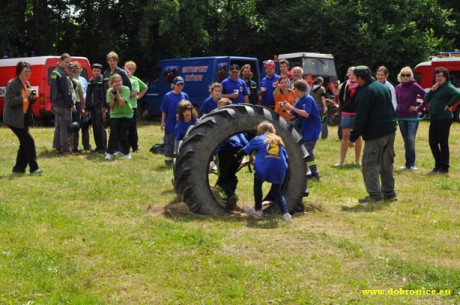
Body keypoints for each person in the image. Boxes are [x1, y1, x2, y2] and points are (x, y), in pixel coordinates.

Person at [348, 66, 397, 204]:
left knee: (369, 163)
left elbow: (360, 118)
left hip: (376, 133)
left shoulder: (365, 92)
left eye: (355, 77)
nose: (354, 80)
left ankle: (375, 196)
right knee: (386, 162)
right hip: (390, 130)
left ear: (360, 78)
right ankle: (389, 192)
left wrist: (352, 137)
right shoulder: (382, 87)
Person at [239, 121, 291, 222]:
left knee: (258, 185)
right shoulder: (279, 140)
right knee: (277, 191)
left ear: (260, 130)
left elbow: (243, 151)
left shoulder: (258, 138)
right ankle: (286, 214)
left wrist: (236, 157)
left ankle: (258, 211)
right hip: (280, 167)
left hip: (263, 167)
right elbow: (285, 156)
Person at [418, 67, 460, 174]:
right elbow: (426, 99)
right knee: (432, 142)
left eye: (440, 76)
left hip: (444, 118)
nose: (438, 78)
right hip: (434, 118)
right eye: (436, 76)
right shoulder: (436, 87)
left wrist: (449, 104)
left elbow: (458, 94)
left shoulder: (448, 86)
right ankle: (437, 165)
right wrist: (432, 90)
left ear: (445, 77)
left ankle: (444, 168)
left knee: (443, 142)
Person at [4, 61, 41, 175]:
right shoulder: (13, 83)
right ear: (19, 71)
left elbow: (28, 101)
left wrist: (33, 98)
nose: (28, 73)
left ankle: (18, 168)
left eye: (29, 71)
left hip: (23, 117)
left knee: (24, 142)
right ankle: (34, 168)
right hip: (13, 119)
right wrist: (23, 96)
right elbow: (9, 101)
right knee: (29, 141)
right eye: (25, 71)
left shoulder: (27, 83)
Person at [283, 79, 322, 181]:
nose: (292, 90)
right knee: (308, 154)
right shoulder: (300, 99)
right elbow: (290, 114)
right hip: (305, 130)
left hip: (312, 129)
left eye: (294, 88)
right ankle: (314, 174)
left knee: (304, 153)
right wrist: (284, 108)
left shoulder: (308, 99)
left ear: (297, 89)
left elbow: (306, 113)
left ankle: (305, 175)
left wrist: (291, 106)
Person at [214, 98, 248, 211]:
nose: (217, 110)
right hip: (237, 154)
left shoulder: (220, 122)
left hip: (224, 153)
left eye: (220, 107)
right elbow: (244, 143)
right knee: (231, 176)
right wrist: (242, 155)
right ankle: (231, 198)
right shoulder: (237, 123)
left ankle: (230, 196)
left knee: (222, 179)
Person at [395, 66, 426, 170]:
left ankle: (412, 164)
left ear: (411, 76)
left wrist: (418, 108)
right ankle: (407, 164)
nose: (405, 77)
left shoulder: (414, 86)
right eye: (403, 75)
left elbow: (426, 96)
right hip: (401, 118)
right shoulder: (398, 87)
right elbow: (395, 101)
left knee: (410, 140)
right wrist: (397, 107)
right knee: (406, 141)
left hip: (412, 118)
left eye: (408, 75)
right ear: (400, 76)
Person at [160, 76, 190, 167]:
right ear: (173, 85)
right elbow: (164, 110)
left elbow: (188, 109)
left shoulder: (185, 95)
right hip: (170, 123)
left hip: (182, 123)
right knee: (170, 142)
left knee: (182, 142)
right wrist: (162, 122)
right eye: (178, 84)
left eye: (181, 85)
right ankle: (168, 162)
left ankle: (180, 161)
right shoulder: (168, 96)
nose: (180, 86)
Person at [336, 67, 362, 166]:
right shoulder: (345, 84)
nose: (351, 76)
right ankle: (341, 161)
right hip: (346, 112)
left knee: (358, 136)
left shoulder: (361, 85)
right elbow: (341, 98)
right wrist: (345, 107)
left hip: (357, 113)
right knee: (345, 135)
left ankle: (357, 161)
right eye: (349, 74)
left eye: (353, 74)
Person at [104, 74, 133, 161]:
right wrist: (112, 98)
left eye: (119, 81)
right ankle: (109, 153)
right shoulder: (109, 91)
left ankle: (126, 153)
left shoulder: (126, 89)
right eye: (115, 81)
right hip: (115, 115)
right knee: (113, 134)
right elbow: (111, 106)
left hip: (126, 114)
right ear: (112, 83)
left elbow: (122, 103)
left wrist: (117, 92)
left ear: (122, 82)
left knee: (123, 134)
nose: (118, 83)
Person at [50, 53, 75, 155]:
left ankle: (57, 148)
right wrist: (72, 104)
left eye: (69, 62)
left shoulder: (54, 72)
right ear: (60, 61)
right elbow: (66, 92)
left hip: (55, 104)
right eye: (66, 62)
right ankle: (65, 149)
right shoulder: (62, 74)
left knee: (59, 126)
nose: (68, 64)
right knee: (65, 127)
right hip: (63, 105)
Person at [124, 60, 148, 153]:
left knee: (132, 128)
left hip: (132, 106)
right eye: (128, 68)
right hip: (122, 106)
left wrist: (138, 96)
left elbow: (145, 87)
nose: (130, 70)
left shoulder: (135, 79)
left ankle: (135, 147)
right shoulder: (121, 78)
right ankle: (124, 146)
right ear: (125, 68)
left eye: (132, 69)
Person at [86, 63, 107, 154]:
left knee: (100, 127)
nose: (96, 72)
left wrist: (104, 107)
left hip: (100, 107)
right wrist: (87, 107)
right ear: (92, 71)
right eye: (94, 70)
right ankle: (98, 147)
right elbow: (88, 95)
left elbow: (104, 95)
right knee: (95, 127)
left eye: (98, 71)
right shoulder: (91, 81)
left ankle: (103, 147)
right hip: (92, 107)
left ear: (100, 71)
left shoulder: (102, 81)